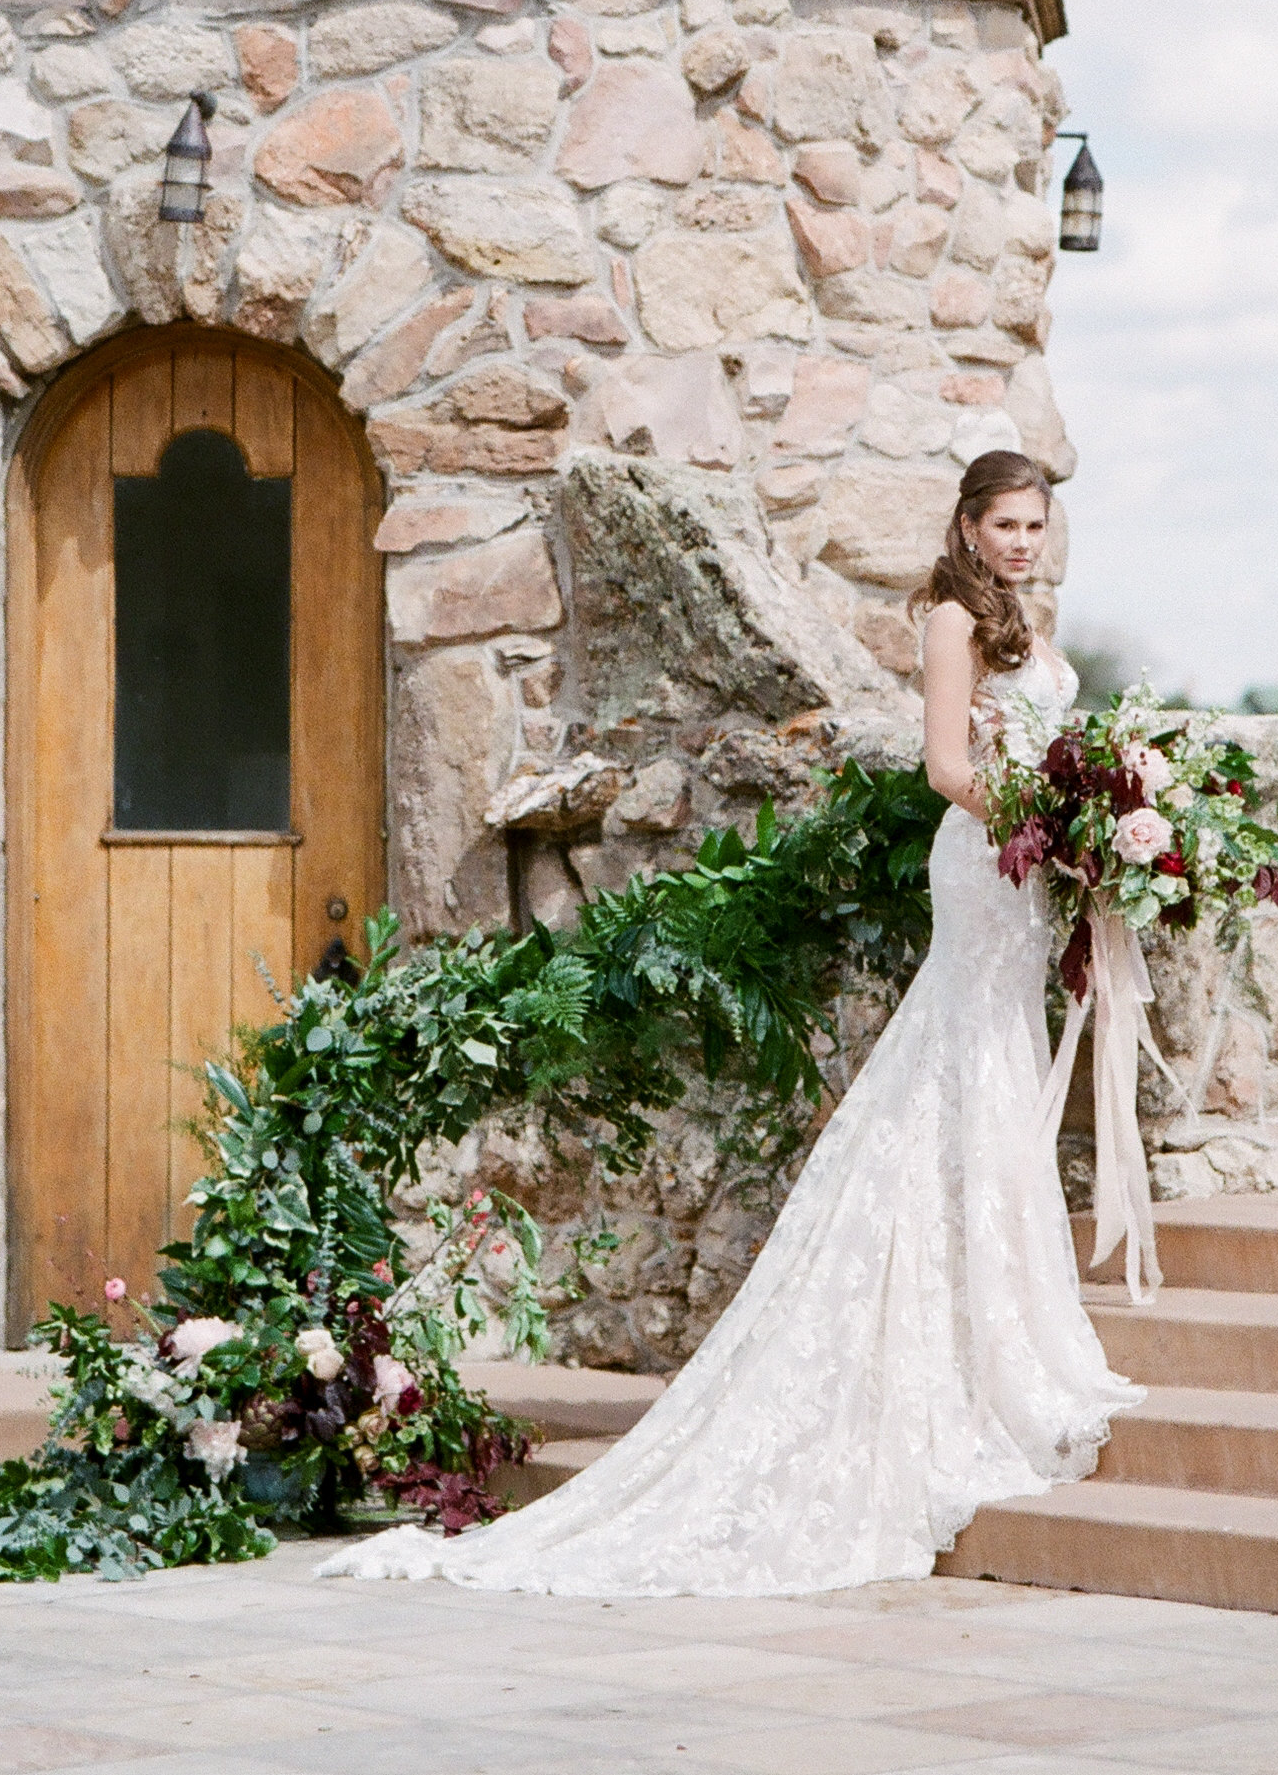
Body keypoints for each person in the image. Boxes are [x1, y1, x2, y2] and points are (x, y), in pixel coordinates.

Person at [320, 449, 1141, 1600]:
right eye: (1002, 522)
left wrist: (1085, 805)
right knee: (962, 1064)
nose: (1019, 540)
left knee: (995, 1075)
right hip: (983, 865)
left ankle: (992, 1316)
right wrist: (1047, 809)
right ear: (963, 523)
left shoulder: (1022, 617)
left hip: (1026, 879)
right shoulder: (953, 617)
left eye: (1033, 524)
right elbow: (944, 763)